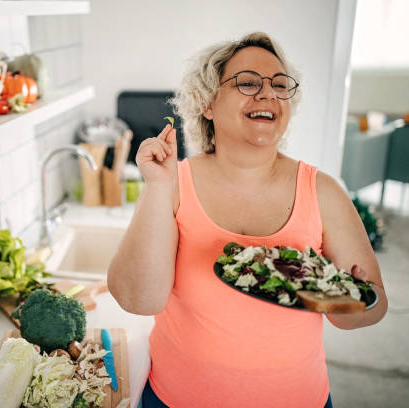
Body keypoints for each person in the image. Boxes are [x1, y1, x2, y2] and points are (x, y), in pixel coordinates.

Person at [107, 32, 388, 408]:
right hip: (175, 399)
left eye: (279, 84)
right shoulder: (173, 183)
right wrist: (157, 187)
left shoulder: (323, 191)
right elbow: (137, 299)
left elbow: (373, 304)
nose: (268, 93)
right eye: (248, 83)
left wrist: (332, 294)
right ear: (207, 102)